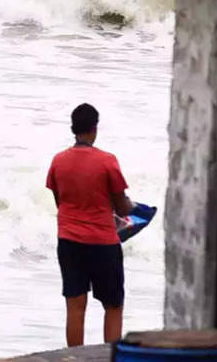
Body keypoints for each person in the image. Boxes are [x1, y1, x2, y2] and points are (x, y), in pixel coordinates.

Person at [46, 103, 132, 347]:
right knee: (113, 305)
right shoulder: (107, 161)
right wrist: (129, 207)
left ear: (74, 128)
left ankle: (74, 358)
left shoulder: (58, 161)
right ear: (95, 128)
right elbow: (122, 207)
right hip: (103, 242)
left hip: (69, 240)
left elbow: (60, 202)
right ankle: (110, 357)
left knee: (75, 306)